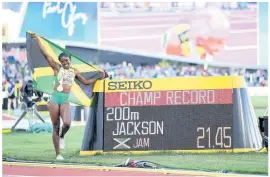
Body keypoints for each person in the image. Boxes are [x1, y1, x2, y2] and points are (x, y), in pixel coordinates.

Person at [31, 34, 108, 160]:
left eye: (67, 60)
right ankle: (58, 154)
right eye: (63, 61)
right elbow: (47, 55)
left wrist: (100, 76)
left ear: (70, 60)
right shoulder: (57, 68)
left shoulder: (75, 71)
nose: (65, 63)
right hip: (54, 99)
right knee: (55, 126)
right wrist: (38, 41)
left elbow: (86, 82)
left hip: (64, 99)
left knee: (66, 123)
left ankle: (62, 136)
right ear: (60, 62)